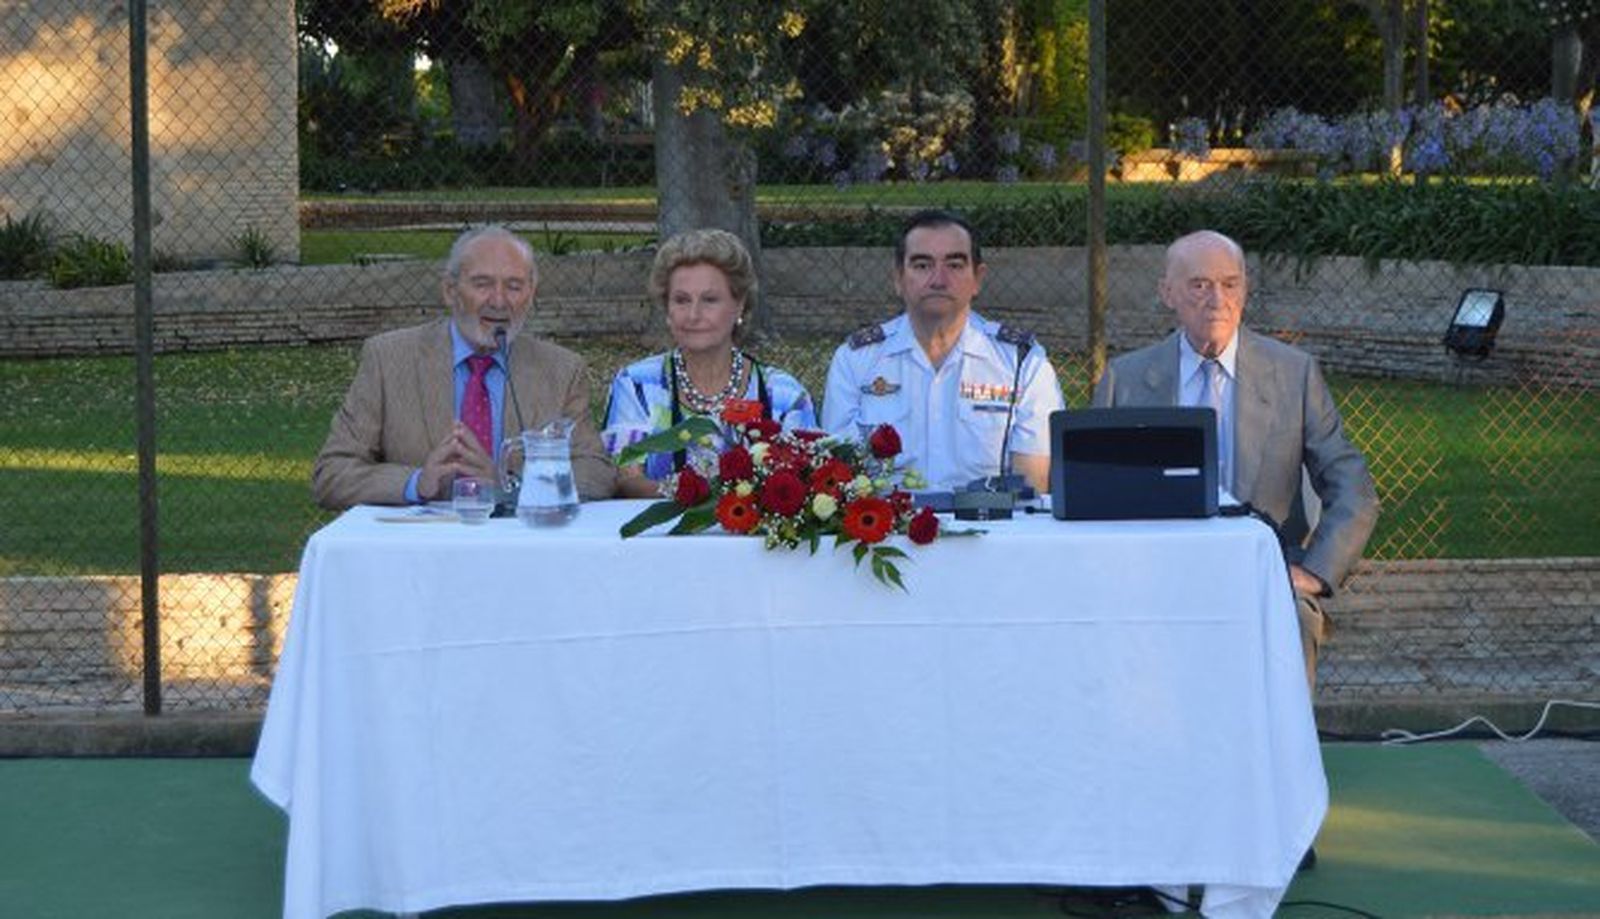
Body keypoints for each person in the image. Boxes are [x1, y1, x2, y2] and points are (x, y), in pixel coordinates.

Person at [1092, 229, 1379, 688]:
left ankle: (1284, 739)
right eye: (1199, 285)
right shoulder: (1124, 381)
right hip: (1154, 572)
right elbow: (1096, 495)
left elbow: (1352, 487)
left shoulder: (1294, 374)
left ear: (1245, 289)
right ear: (1167, 292)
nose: (1217, 300)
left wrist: (1315, 572)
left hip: (1261, 570)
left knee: (1293, 617)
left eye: (1230, 284)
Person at [312, 225, 616, 509]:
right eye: (482, 284)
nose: (499, 301)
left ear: (531, 293)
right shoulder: (388, 359)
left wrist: (508, 485)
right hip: (421, 544)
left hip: (521, 542)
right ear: (450, 290)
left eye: (514, 286)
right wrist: (417, 483)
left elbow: (597, 474)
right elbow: (332, 473)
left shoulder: (561, 370)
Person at [821, 209, 1063, 493]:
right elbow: (840, 476)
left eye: (955, 265)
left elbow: (1031, 488)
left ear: (978, 278)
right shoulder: (856, 361)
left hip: (988, 521)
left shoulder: (1022, 363)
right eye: (922, 265)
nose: (938, 279)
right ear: (898, 278)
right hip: (887, 521)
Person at [602, 228, 817, 497]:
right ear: (667, 309)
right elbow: (625, 478)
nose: (694, 314)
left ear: (739, 305)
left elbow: (807, 484)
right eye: (682, 300)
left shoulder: (784, 396)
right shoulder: (638, 384)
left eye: (710, 300)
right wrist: (694, 497)